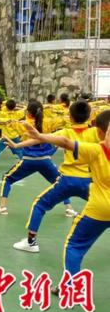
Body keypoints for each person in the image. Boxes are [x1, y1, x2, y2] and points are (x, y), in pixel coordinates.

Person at [19, 110, 110, 281]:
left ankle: (31, 243)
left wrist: (36, 137)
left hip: (74, 185)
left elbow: (63, 142)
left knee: (73, 243)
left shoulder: (96, 149)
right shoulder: (93, 134)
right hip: (86, 183)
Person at [10, 100, 100, 253]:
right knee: (105, 206)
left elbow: (40, 138)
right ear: (89, 116)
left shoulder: (65, 132)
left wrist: (18, 145)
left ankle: (31, 243)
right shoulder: (96, 133)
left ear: (70, 116)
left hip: (67, 180)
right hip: (88, 181)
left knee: (39, 205)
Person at [0, 100, 73, 215]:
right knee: (60, 182)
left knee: (7, 179)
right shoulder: (49, 122)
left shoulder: (23, 124)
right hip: (45, 160)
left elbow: (8, 121)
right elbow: (65, 119)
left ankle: (2, 207)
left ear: (28, 113)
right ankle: (69, 208)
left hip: (28, 160)